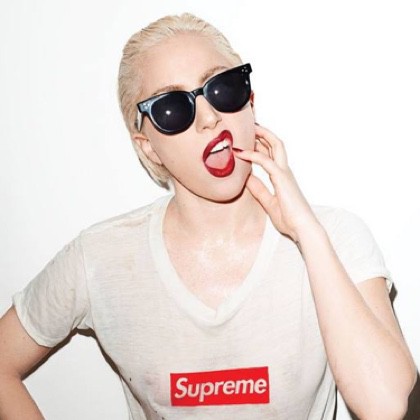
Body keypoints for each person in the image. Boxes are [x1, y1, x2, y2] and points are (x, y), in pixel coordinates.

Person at [0, 12, 416, 420]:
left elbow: (384, 405)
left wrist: (306, 232)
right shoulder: (101, 257)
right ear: (148, 147)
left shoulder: (335, 237)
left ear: (250, 102)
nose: (209, 117)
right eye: (172, 108)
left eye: (222, 88)